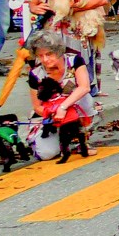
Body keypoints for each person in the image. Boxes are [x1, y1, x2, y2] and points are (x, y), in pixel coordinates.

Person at [25, 30, 99, 158]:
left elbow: (84, 87)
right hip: (51, 115)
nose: (45, 59)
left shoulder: (75, 60)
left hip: (73, 107)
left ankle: (81, 140)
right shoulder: (35, 74)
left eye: (49, 54)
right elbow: (37, 106)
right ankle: (54, 140)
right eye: (40, 56)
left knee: (85, 100)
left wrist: (63, 107)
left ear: (58, 50)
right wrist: (53, 113)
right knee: (47, 154)